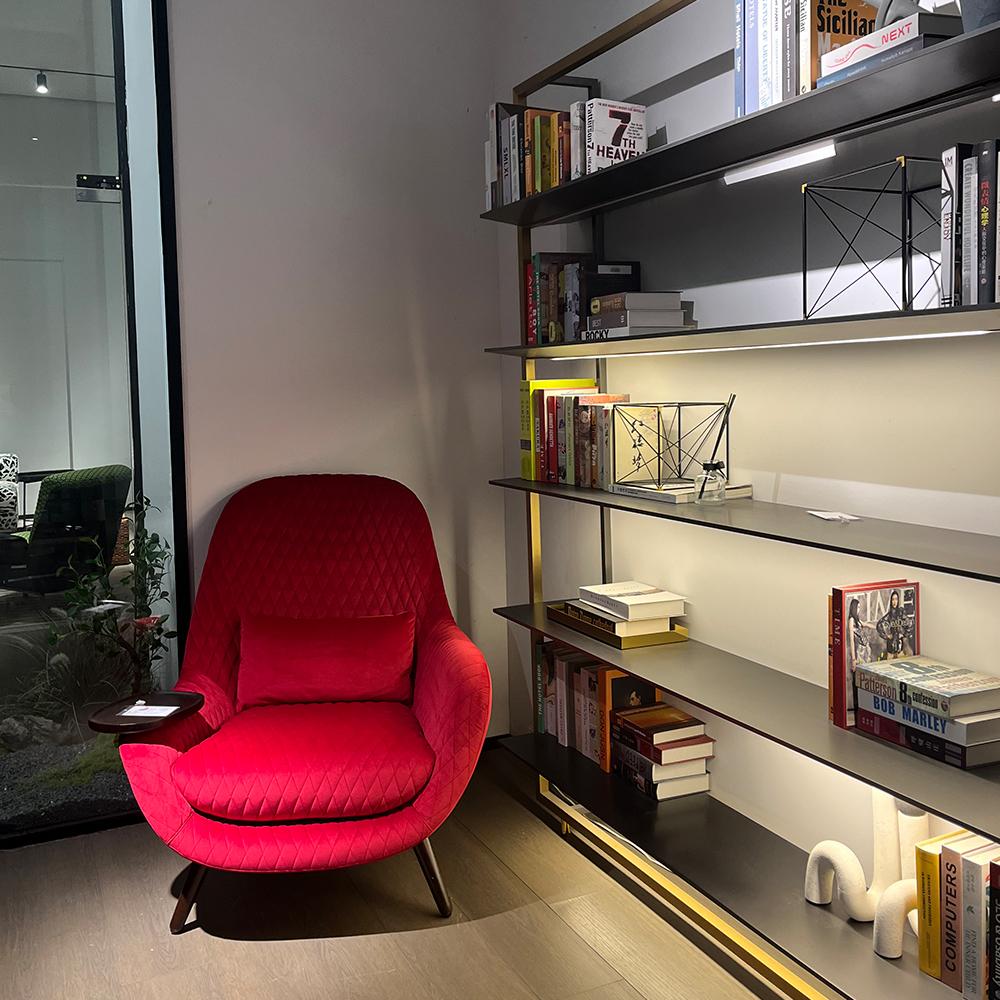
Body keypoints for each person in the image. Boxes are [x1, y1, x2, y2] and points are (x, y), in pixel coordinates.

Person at [846, 597, 874, 712]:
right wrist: (854, 659)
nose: (858, 609)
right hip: (859, 652)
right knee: (858, 679)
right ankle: (858, 705)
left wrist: (876, 627)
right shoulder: (851, 620)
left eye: (859, 607)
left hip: (864, 650)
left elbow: (865, 624)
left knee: (864, 678)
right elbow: (852, 640)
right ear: (853, 608)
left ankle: (864, 705)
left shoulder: (857, 620)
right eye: (857, 607)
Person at [876, 589, 911, 658]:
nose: (894, 602)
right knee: (890, 661)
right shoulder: (889, 615)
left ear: (898, 600)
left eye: (896, 599)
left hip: (900, 644)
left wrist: (904, 634)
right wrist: (887, 636)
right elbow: (879, 626)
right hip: (890, 645)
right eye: (893, 599)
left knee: (900, 661)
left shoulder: (901, 612)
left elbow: (909, 623)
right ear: (891, 601)